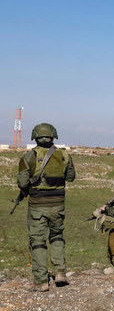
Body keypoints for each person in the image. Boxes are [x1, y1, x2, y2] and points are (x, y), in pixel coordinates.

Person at [17, 123, 76, 291]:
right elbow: (71, 177)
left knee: (38, 242)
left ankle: (41, 281)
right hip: (58, 205)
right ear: (53, 136)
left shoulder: (29, 156)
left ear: (35, 137)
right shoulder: (65, 155)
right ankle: (60, 273)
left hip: (37, 207)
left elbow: (22, 182)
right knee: (57, 236)